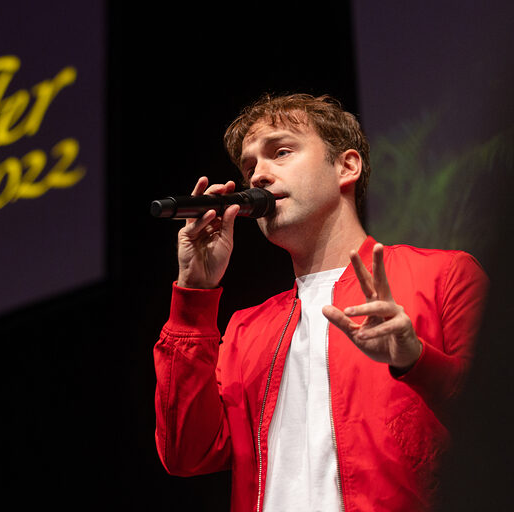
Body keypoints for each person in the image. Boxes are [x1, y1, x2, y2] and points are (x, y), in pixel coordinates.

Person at [153, 93, 488, 512]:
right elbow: (187, 454)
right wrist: (195, 297)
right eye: (249, 166)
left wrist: (414, 358)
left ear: (346, 166)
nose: (258, 176)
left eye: (281, 151)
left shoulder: (445, 276)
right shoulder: (245, 330)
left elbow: (495, 419)